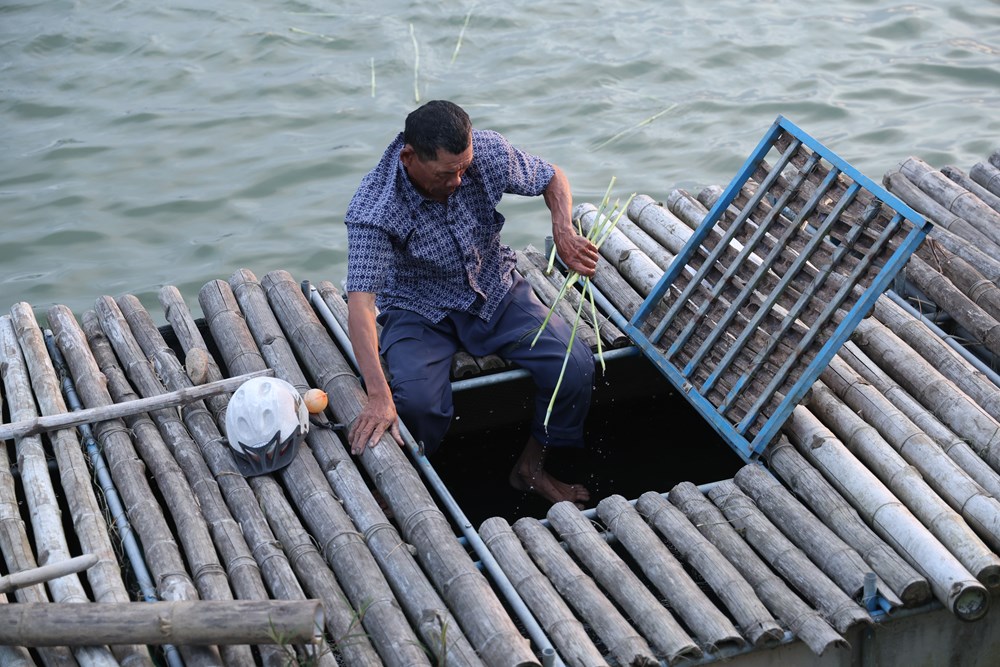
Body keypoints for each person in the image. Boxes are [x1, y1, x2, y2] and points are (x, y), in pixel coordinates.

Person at [343, 100, 597, 506]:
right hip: (418, 307)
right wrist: (377, 395)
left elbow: (553, 177)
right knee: (419, 405)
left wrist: (563, 230)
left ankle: (531, 467)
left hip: (494, 286)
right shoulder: (375, 207)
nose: (459, 180)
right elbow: (360, 305)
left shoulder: (486, 152)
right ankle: (401, 489)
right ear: (409, 158)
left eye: (464, 168)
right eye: (447, 173)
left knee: (575, 365)